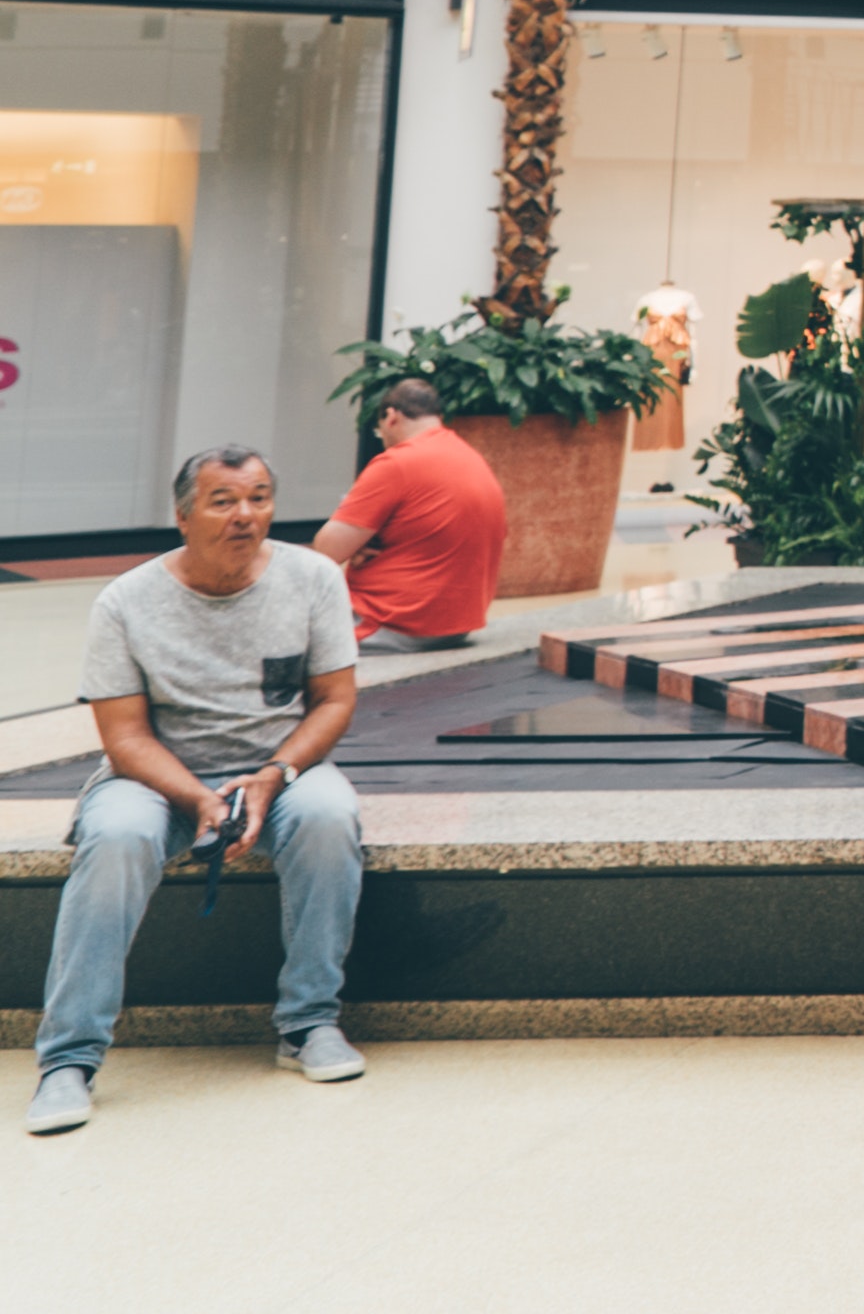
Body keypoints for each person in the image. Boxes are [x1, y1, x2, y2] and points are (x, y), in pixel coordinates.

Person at [28, 446, 368, 1135]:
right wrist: (199, 799)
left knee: (330, 815)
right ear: (183, 516)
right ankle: (68, 1059)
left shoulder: (313, 578)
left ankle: (308, 1022)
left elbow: (334, 700)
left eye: (259, 498)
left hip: (277, 769)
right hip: (156, 778)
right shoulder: (126, 601)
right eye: (223, 501)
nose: (246, 515)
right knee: (117, 835)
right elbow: (124, 738)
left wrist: (274, 776)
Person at [312, 375, 507, 651]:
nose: (383, 440)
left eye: (379, 431)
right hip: (456, 626)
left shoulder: (396, 463)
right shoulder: (472, 458)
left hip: (390, 621)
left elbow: (324, 553)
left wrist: (354, 543)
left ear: (391, 417)